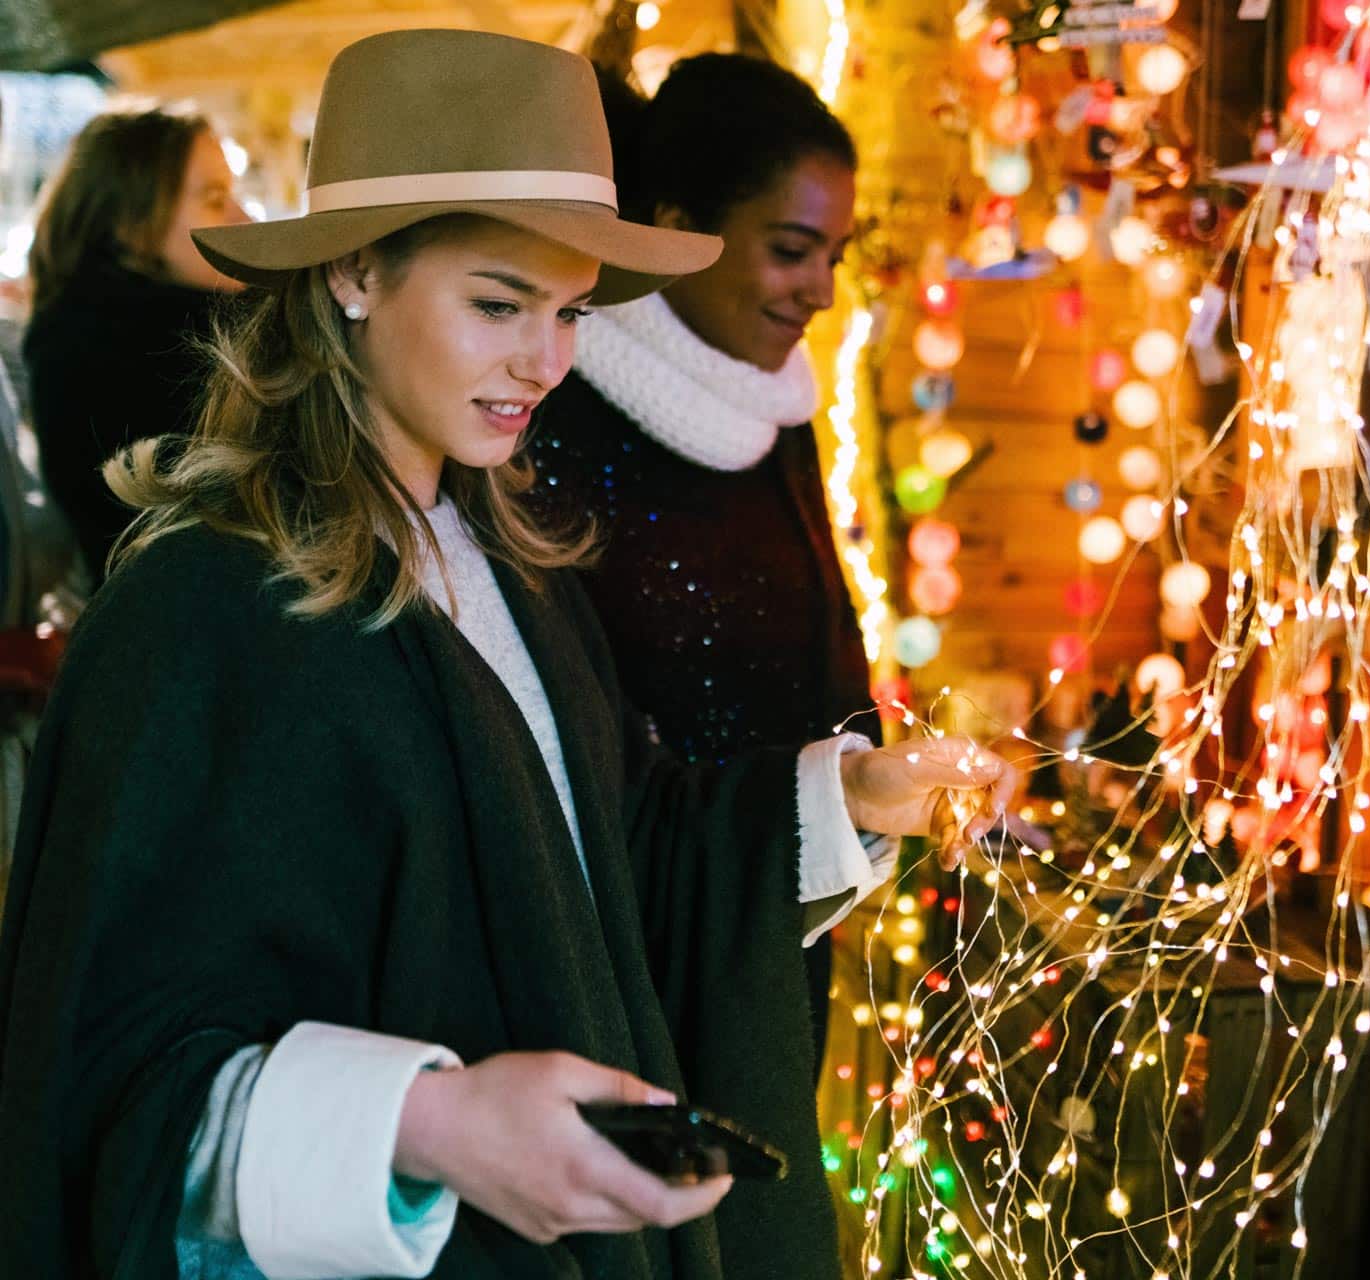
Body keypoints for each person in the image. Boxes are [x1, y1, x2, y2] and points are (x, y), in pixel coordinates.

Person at [0, 30, 1009, 1280]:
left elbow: (603, 859)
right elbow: (108, 1084)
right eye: (498, 302)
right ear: (358, 271)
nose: (546, 362)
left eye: (571, 310)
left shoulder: (510, 567)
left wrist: (835, 797)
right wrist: (434, 1122)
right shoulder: (200, 613)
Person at [526, 58, 867, 1280]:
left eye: (836, 254)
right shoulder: (554, 424)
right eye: (790, 249)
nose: (820, 288)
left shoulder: (778, 409)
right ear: (676, 234)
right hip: (637, 931)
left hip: (777, 897)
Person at [22, 104, 250, 581]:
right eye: (214, 198)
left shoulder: (71, 337)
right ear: (132, 219)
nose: (243, 218)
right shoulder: (132, 354)